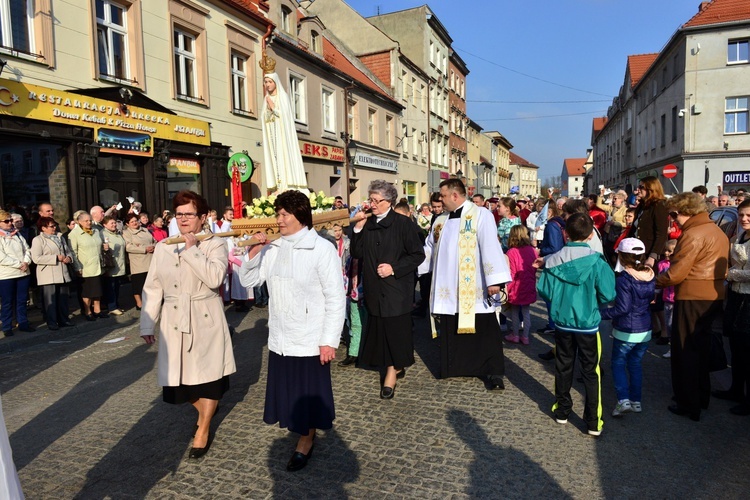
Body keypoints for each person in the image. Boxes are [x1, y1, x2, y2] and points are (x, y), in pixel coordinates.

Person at [239, 190, 345, 471]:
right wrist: (254, 252)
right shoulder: (274, 248)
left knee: (307, 393)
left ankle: (306, 440)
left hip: (310, 338)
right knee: (289, 392)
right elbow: (249, 280)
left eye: (284, 214)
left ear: (300, 215)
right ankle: (299, 429)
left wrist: (329, 341)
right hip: (281, 336)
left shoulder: (321, 249)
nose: (279, 219)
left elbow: (335, 297)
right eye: (278, 213)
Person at [141, 190, 236, 460]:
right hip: (174, 319)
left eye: (189, 214)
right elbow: (153, 287)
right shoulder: (163, 246)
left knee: (208, 380)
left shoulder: (214, 244)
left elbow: (215, 277)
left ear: (202, 217)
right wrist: (147, 323)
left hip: (204, 316)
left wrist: (193, 250)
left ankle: (203, 429)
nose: (183, 219)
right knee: (179, 384)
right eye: (179, 214)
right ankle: (205, 411)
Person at [418, 179, 512, 390]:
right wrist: (408, 269)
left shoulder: (481, 214)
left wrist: (494, 280)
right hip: (448, 288)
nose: (439, 200)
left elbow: (490, 245)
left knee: (485, 331)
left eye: (442, 195)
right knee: (452, 327)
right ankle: (454, 367)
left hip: (475, 288)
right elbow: (429, 251)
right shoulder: (439, 220)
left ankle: (493, 372)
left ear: (454, 195)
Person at [537, 213, 616, 436]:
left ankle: (562, 411)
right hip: (587, 323)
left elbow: (544, 290)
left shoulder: (553, 261)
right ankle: (593, 421)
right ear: (591, 234)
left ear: (565, 233)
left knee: (563, 367)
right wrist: (592, 302)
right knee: (591, 372)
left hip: (563, 323)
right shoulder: (597, 261)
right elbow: (608, 293)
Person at [656, 192, 729, 422]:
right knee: (700, 348)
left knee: (685, 349)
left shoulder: (693, 234)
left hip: (691, 296)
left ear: (684, 212)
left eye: (674, 215)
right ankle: (701, 397)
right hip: (713, 295)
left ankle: (688, 403)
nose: (673, 219)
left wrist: (652, 280)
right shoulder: (716, 230)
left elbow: (677, 273)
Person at [350, 180, 425, 399]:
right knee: (381, 329)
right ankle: (392, 364)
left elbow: (417, 255)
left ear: (389, 201)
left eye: (376, 200)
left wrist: (394, 268)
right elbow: (357, 252)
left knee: (395, 330)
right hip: (375, 288)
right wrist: (358, 227)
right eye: (370, 199)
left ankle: (391, 373)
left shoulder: (404, 224)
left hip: (396, 288)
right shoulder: (370, 223)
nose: (371, 204)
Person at [600, 238, 656, 418]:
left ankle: (623, 400)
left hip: (627, 329)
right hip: (645, 328)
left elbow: (622, 308)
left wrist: (601, 314)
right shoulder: (650, 275)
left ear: (623, 258)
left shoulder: (624, 279)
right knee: (635, 364)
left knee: (618, 363)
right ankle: (636, 401)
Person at [714, 199, 750, 415]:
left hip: (749, 299)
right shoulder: (740, 235)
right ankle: (735, 389)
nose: (744, 219)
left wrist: (731, 274)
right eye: (742, 215)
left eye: (748, 215)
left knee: (747, 350)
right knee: (736, 348)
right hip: (736, 296)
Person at [260, 55, 309, 193]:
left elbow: (285, 117)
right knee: (275, 160)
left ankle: (288, 184)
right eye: (265, 82)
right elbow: (264, 117)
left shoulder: (283, 97)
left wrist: (274, 107)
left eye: (269, 81)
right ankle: (279, 186)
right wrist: (268, 111)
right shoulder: (266, 98)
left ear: (275, 82)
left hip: (283, 137)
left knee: (284, 158)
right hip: (273, 136)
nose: (267, 85)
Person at [31, 216, 75, 330]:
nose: (54, 228)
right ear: (43, 228)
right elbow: (36, 258)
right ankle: (52, 322)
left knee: (63, 299)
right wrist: (55, 258)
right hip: (48, 274)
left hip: (63, 272)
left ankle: (64, 319)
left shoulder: (60, 237)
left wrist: (69, 258)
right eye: (51, 226)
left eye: (55, 225)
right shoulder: (38, 240)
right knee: (51, 301)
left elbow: (68, 251)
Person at [68, 211, 107, 321]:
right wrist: (77, 267)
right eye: (86, 221)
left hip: (97, 265)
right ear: (79, 222)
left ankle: (97, 310)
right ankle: (87, 311)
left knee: (97, 290)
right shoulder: (74, 234)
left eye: (90, 220)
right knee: (87, 292)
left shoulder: (95, 231)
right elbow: (73, 252)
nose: (89, 222)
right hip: (85, 267)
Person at [503, 225, 538, 345]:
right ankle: (526, 336)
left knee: (514, 311)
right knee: (526, 312)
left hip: (516, 286)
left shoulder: (511, 252)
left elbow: (511, 273)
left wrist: (507, 288)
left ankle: (515, 334)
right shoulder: (532, 250)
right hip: (529, 283)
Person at [0, 210, 33, 336]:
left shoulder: (17, 235)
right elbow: (2, 257)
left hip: (23, 273)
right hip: (7, 274)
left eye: (10, 220)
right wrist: (19, 264)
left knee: (22, 299)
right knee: (7, 301)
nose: (10, 223)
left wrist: (26, 262)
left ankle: (23, 322)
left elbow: (27, 249)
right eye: (6, 221)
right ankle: (7, 326)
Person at [632, 176, 668, 269]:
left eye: (641, 187)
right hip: (637, 252)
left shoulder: (659, 206)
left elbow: (661, 234)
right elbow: (634, 228)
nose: (638, 190)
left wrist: (653, 256)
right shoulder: (642, 205)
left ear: (651, 189)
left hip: (649, 252)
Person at [122, 213, 155, 311]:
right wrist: (144, 249)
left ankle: (150, 301)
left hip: (150, 259)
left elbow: (153, 240)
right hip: (138, 262)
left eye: (135, 220)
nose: (134, 223)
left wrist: (154, 246)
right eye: (132, 222)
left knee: (151, 283)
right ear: (127, 224)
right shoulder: (126, 233)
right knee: (138, 284)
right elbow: (128, 246)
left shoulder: (145, 230)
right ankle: (139, 303)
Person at [655, 239, 677, 357]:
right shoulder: (661, 264)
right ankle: (671, 346)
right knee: (668, 325)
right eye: (665, 251)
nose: (667, 253)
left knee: (674, 325)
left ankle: (674, 348)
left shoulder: (678, 265)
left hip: (676, 299)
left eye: (670, 251)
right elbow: (659, 280)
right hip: (666, 298)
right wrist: (655, 293)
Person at [101, 216, 126, 316]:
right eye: (111, 223)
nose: (114, 225)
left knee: (116, 286)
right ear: (105, 225)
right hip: (111, 264)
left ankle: (116, 305)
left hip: (120, 263)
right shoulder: (103, 234)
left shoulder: (117, 233)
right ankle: (112, 307)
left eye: (115, 223)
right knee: (110, 286)